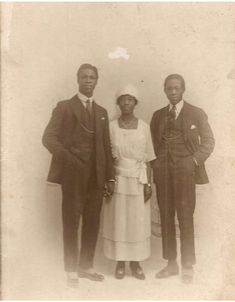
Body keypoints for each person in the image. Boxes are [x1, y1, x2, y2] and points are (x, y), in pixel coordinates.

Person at [42, 63, 115, 287]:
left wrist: (110, 177)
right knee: (71, 222)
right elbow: (49, 138)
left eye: (92, 77)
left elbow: (106, 147)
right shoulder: (64, 107)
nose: (88, 80)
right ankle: (71, 269)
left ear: (96, 81)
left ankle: (86, 266)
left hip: (96, 177)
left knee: (93, 222)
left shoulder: (102, 113)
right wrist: (69, 160)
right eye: (84, 77)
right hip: (73, 177)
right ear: (77, 79)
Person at [150, 74, 215, 283]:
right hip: (163, 174)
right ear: (164, 90)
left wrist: (193, 161)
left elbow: (209, 142)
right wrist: (157, 164)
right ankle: (171, 264)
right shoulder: (158, 115)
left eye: (177, 88)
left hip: (185, 173)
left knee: (185, 217)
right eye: (169, 88)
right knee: (166, 217)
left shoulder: (196, 113)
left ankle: (188, 266)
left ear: (183, 89)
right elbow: (151, 146)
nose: (173, 92)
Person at [103, 84, 156, 280]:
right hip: (117, 180)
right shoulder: (110, 126)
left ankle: (135, 263)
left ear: (135, 103)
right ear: (118, 103)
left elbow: (149, 158)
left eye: (130, 99)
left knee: (136, 222)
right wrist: (108, 180)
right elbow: (106, 157)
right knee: (119, 220)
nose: (127, 102)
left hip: (137, 180)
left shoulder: (144, 127)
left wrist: (148, 184)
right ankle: (120, 262)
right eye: (123, 98)